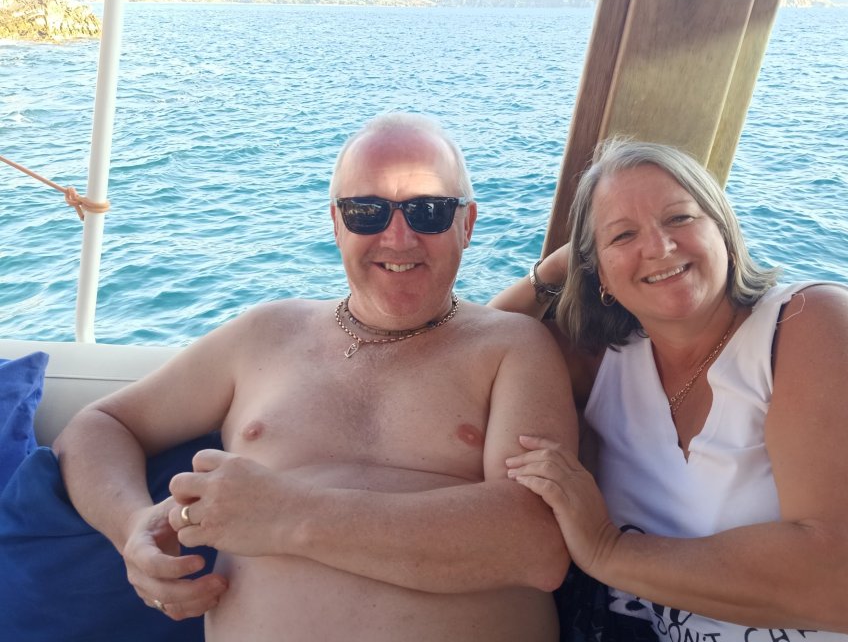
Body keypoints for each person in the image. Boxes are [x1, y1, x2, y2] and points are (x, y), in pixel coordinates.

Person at [53, 113, 578, 642]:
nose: (399, 238)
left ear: (467, 223)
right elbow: (100, 426)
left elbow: (536, 542)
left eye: (429, 211)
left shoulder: (511, 347)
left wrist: (291, 515)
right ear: (336, 224)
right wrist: (133, 528)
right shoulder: (264, 334)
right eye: (366, 212)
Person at [492, 138, 848, 641]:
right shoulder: (607, 364)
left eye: (680, 218)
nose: (658, 246)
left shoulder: (813, 326)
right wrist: (548, 274)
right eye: (622, 236)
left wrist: (604, 548)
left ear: (724, 230)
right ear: (599, 276)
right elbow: (478, 350)